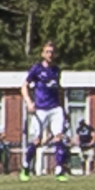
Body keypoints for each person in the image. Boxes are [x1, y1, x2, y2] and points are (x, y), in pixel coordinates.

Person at [22, 45, 68, 178]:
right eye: (47, 52)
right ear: (43, 54)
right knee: (37, 140)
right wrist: (29, 102)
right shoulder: (37, 69)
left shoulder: (56, 70)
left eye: (52, 52)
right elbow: (24, 86)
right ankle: (26, 166)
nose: (50, 55)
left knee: (58, 137)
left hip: (55, 108)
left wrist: (63, 108)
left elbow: (59, 89)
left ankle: (59, 170)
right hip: (41, 109)